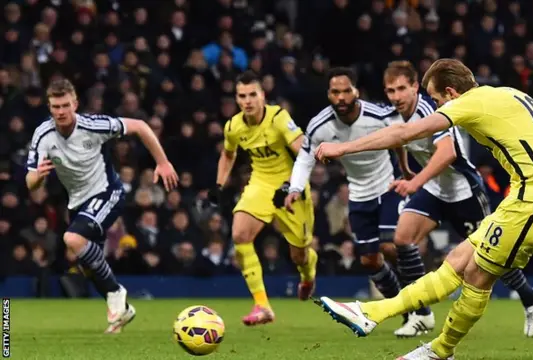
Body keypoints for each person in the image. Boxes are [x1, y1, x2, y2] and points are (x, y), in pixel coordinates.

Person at [313, 59, 533, 360]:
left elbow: (403, 134)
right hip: (528, 199)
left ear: (452, 93)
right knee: (458, 260)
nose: (437, 105)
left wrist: (342, 148)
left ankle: (440, 351)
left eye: (438, 100)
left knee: (477, 274)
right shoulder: (513, 94)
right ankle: (371, 312)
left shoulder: (467, 104)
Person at [382, 61, 533, 338]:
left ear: (414, 88)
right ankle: (422, 315)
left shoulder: (430, 110)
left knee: (491, 256)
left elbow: (448, 153)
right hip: (434, 189)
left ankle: (530, 297)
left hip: (464, 191)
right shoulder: (393, 115)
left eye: (401, 89)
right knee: (402, 239)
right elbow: (398, 140)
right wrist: (408, 170)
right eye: (390, 90)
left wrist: (414, 182)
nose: (396, 96)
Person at [26, 79, 178, 333]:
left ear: (75, 104)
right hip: (77, 203)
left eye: (65, 105)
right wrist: (38, 175)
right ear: (49, 107)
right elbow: (30, 182)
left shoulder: (93, 125)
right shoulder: (43, 135)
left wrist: (162, 163)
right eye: (55, 106)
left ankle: (117, 293)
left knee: (73, 238)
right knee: (90, 265)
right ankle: (121, 311)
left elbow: (139, 126)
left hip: (108, 192)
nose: (61, 111)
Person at [284, 67, 418, 331]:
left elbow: (403, 136)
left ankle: (421, 308)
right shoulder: (319, 125)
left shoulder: (380, 115)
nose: (342, 97)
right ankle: (405, 311)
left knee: (391, 246)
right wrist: (295, 188)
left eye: (347, 91)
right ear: (329, 94)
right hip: (358, 194)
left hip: (388, 187)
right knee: (369, 260)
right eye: (336, 92)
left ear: (357, 91)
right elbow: (305, 158)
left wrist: (406, 170)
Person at [211, 71, 316, 326]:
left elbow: (304, 150)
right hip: (260, 183)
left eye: (252, 95)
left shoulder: (278, 118)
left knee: (299, 254)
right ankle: (262, 305)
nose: (247, 101)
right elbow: (228, 154)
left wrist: (292, 185)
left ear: (262, 96)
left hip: (291, 185)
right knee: (239, 235)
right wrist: (219, 184)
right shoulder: (234, 126)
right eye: (242, 96)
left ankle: (308, 272)